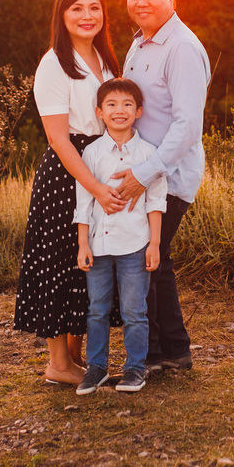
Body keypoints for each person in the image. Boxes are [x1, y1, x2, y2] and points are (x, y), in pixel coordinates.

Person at [14, 0, 126, 386]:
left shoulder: (105, 58)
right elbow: (58, 139)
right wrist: (96, 188)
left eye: (94, 8)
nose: (86, 16)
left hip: (102, 161)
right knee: (60, 263)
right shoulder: (54, 64)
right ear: (62, 16)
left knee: (90, 263)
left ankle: (76, 358)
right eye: (77, 8)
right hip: (67, 174)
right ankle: (58, 364)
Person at [108, 0, 210, 372]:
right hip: (148, 174)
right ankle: (174, 350)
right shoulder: (141, 42)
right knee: (158, 259)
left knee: (140, 260)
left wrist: (142, 175)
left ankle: (147, 355)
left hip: (166, 177)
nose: (142, 2)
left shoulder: (181, 48)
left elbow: (187, 126)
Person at [74, 78, 167, 395]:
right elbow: (83, 202)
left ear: (139, 111)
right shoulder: (92, 152)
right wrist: (82, 243)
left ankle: (134, 370)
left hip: (136, 245)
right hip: (98, 246)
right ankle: (96, 368)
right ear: (100, 112)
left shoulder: (149, 154)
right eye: (111, 104)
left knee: (134, 312)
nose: (120, 110)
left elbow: (156, 201)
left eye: (127, 104)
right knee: (97, 309)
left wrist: (154, 243)